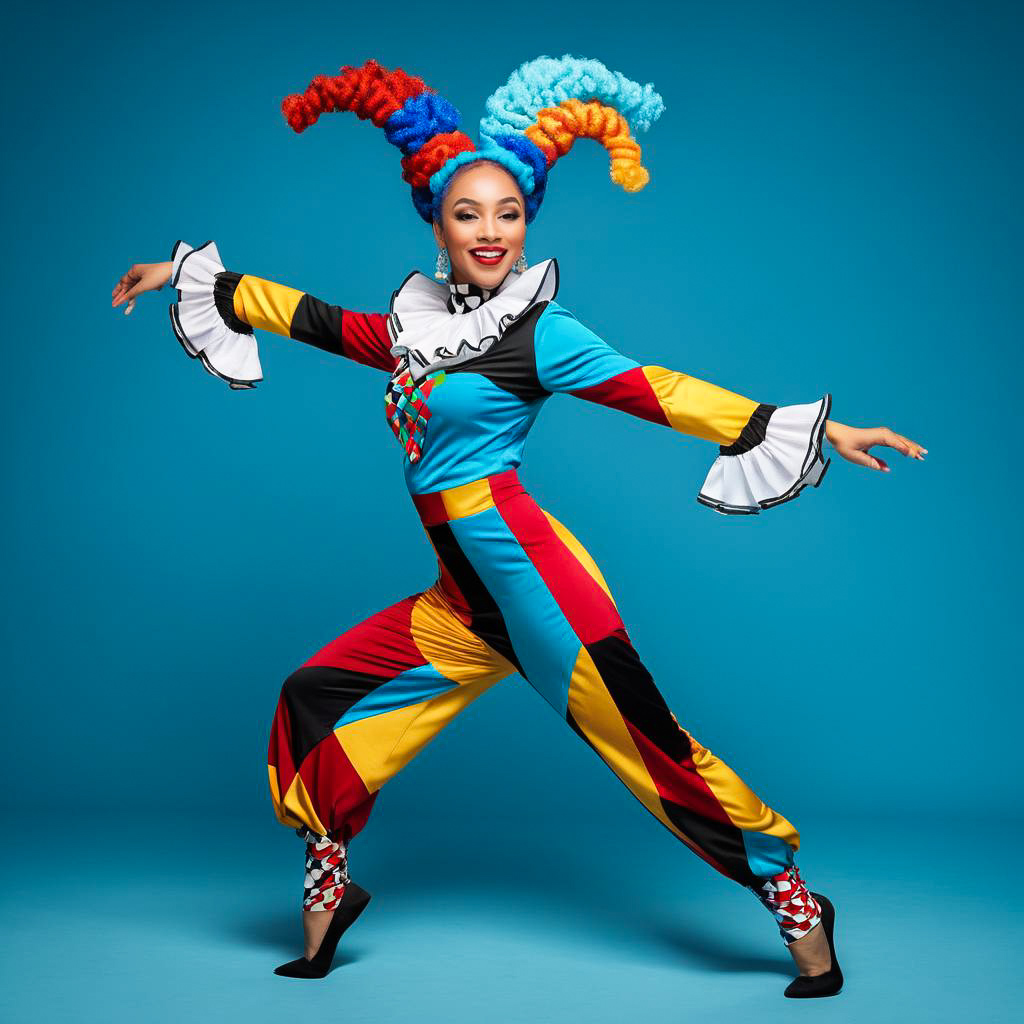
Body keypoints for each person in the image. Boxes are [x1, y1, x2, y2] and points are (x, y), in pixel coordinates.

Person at [111, 55, 926, 995]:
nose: (491, 231)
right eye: (469, 213)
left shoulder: (539, 333)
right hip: (463, 601)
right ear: (438, 222)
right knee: (313, 699)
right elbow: (309, 316)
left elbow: (656, 389)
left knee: (655, 754)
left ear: (527, 220)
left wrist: (810, 427)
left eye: (509, 213)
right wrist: (185, 274)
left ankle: (791, 896)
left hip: (539, 590)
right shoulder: (411, 329)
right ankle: (331, 890)